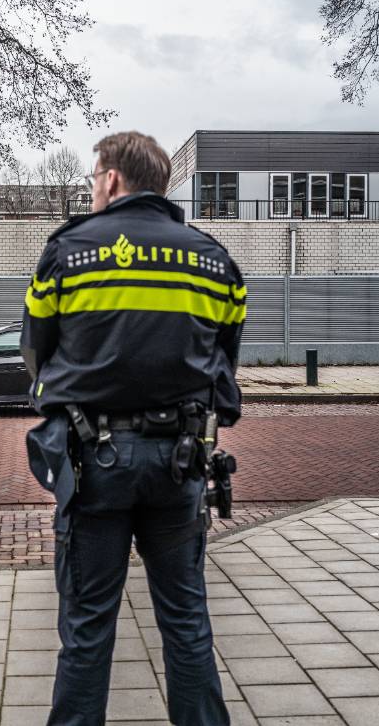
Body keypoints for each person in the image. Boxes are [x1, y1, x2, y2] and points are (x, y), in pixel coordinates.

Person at [21, 131, 246, 726]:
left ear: (112, 178)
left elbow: (36, 350)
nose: (93, 187)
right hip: (180, 462)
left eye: (95, 176)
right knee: (187, 622)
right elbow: (224, 362)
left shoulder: (68, 252)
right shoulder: (213, 259)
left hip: (94, 465)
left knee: (88, 629)